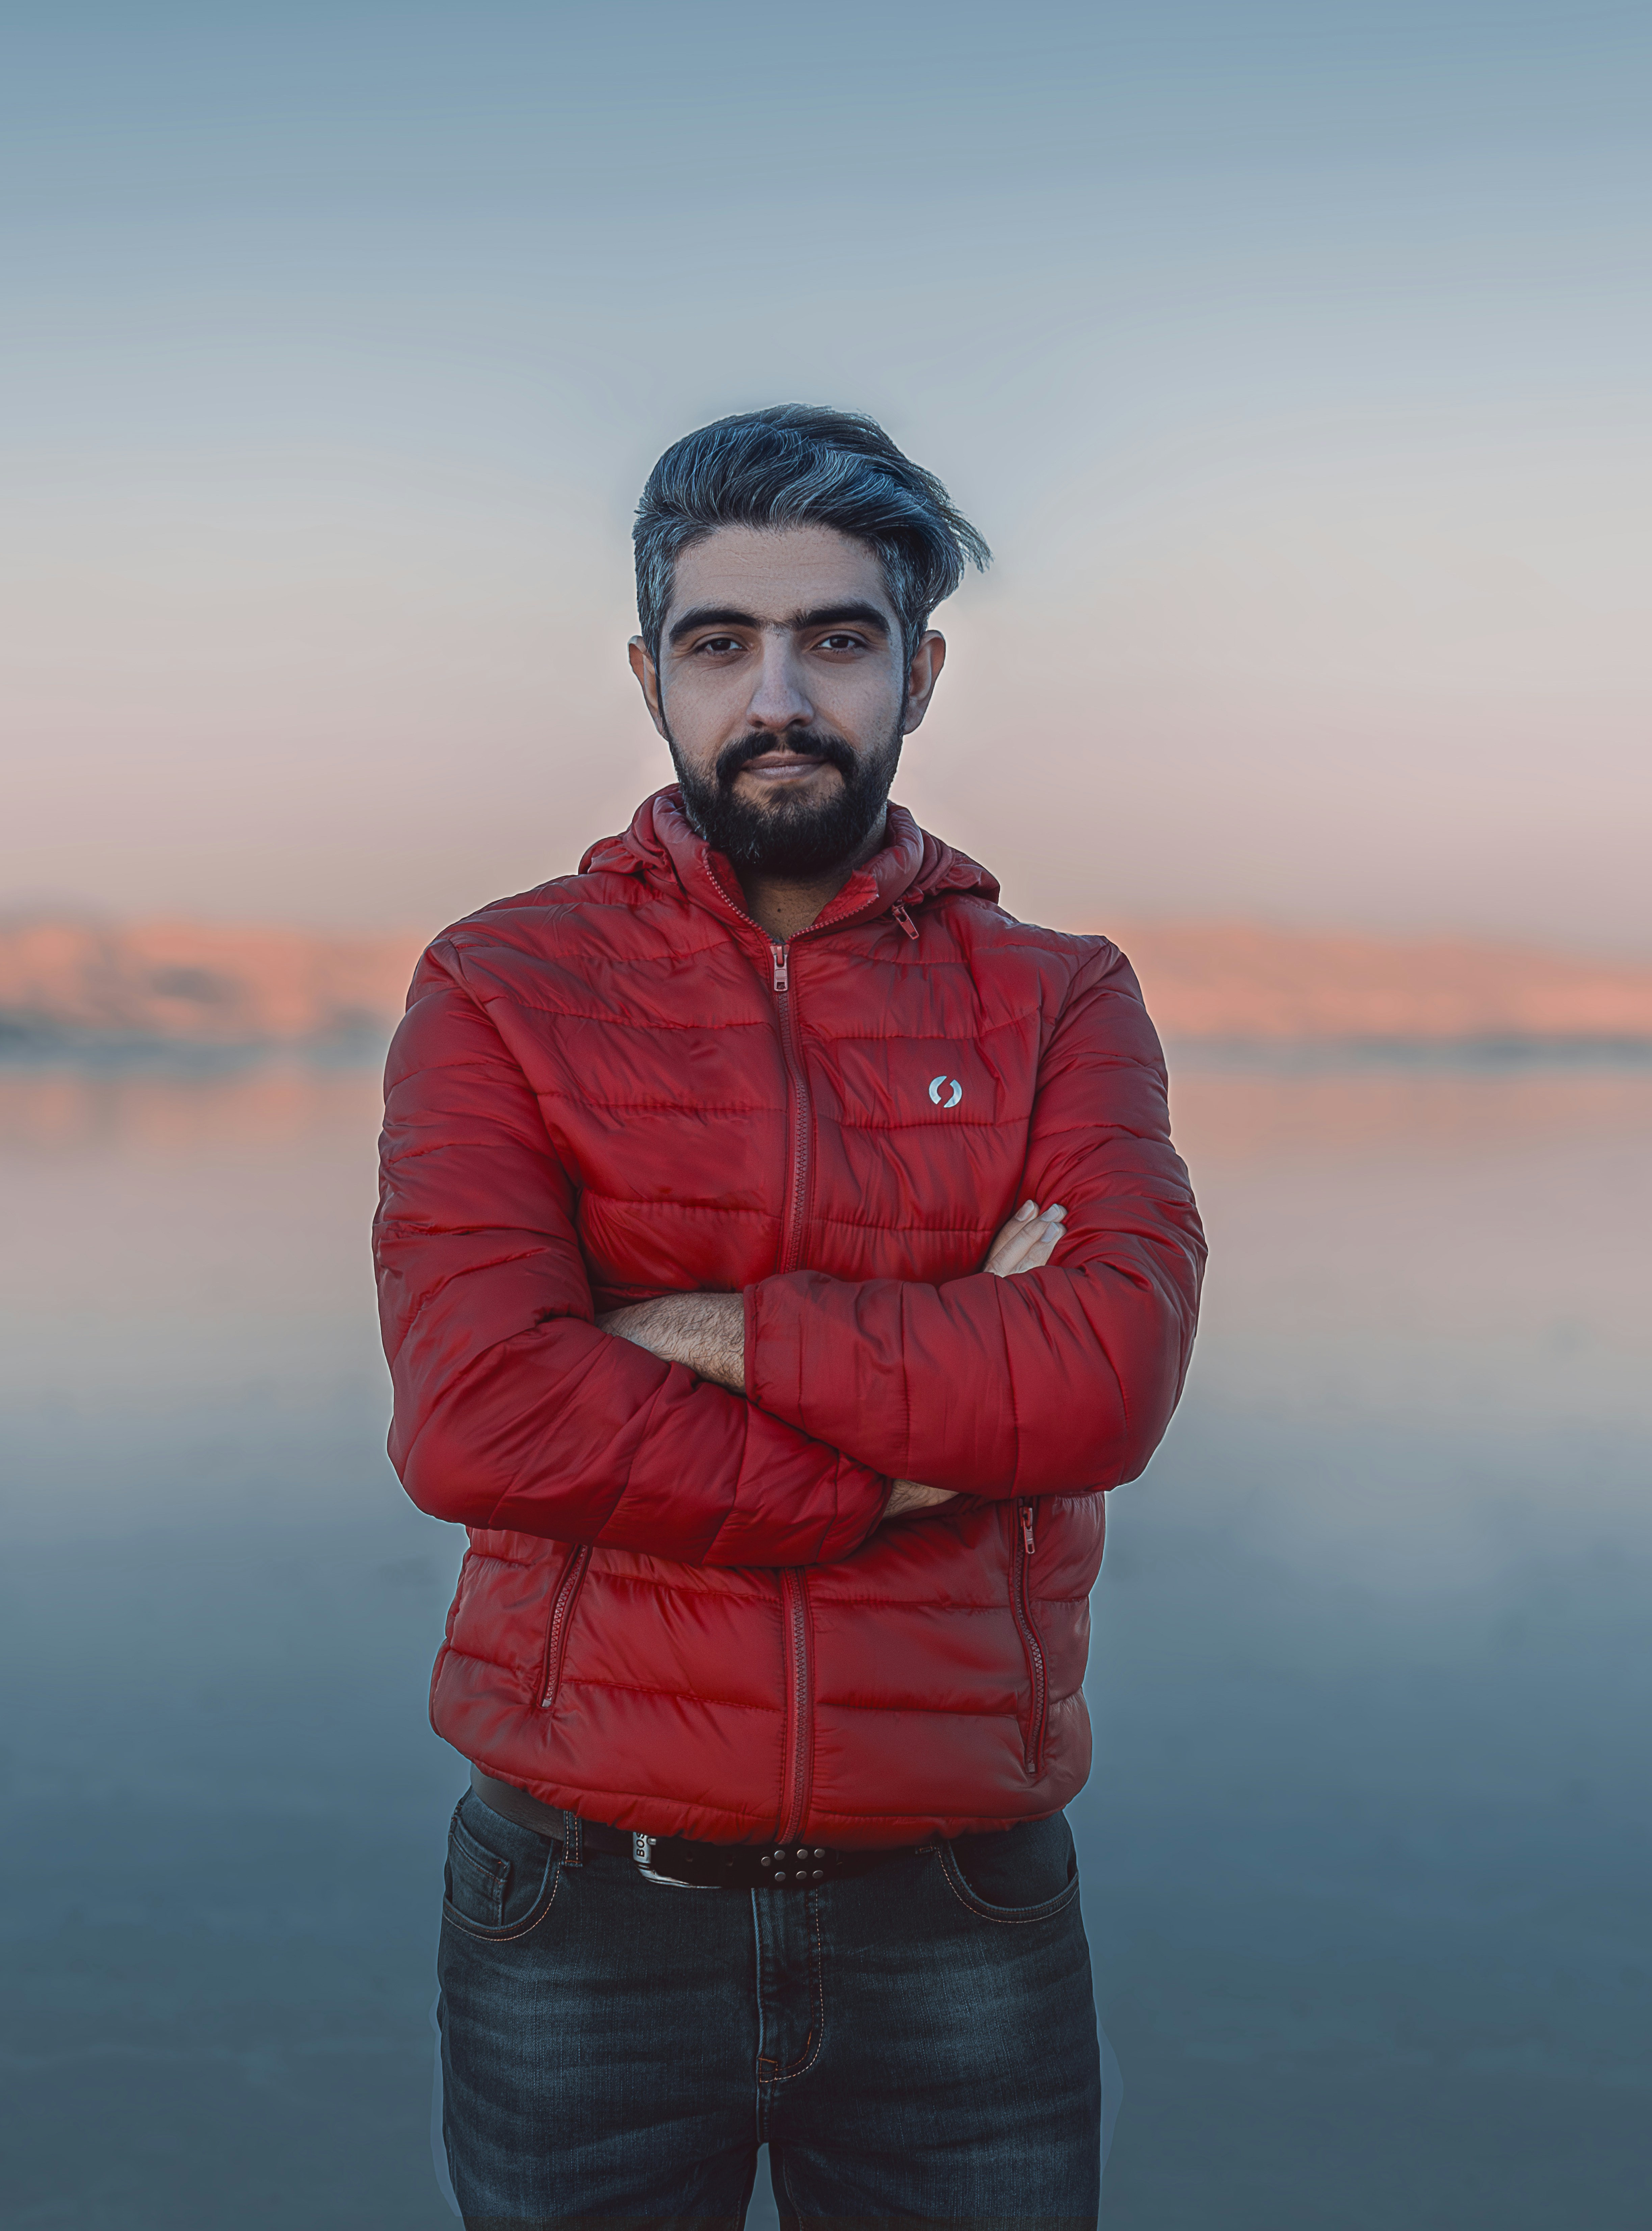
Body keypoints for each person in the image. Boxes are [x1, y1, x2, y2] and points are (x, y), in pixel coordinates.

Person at [374, 405, 1205, 2228]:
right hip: (581, 1901)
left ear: (917, 666)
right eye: (719, 642)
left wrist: (695, 1334)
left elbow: (1104, 1379)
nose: (778, 695)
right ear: (647, 673)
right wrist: (898, 1477)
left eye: (834, 640)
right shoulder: (501, 984)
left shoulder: (1056, 999)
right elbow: (478, 1417)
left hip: (960, 1904)